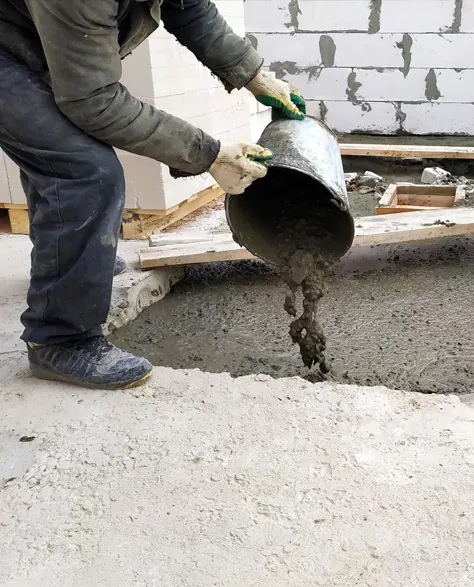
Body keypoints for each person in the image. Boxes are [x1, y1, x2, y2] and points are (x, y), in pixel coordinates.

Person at [0, 0, 306, 390]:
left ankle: (69, 263)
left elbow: (190, 9)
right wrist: (209, 155)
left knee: (57, 155)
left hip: (34, 38)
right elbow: (93, 101)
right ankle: (60, 339)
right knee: (85, 170)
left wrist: (253, 75)